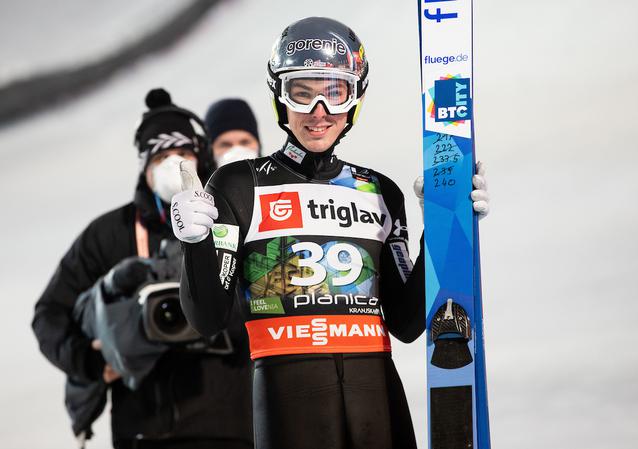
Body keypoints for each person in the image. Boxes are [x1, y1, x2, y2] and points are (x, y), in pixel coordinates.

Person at [171, 17, 489, 449]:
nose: (319, 112)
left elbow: (408, 323)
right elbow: (206, 318)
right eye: (302, 92)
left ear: (354, 100)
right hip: (288, 405)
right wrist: (196, 247)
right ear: (280, 98)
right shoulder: (240, 185)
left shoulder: (380, 192)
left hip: (378, 404)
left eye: (334, 92)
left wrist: (443, 225)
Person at [32, 88, 253, 449]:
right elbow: (49, 315)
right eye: (161, 156)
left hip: (235, 422)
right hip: (147, 427)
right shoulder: (110, 234)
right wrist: (90, 360)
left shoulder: (232, 217)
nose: (174, 164)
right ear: (144, 166)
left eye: (183, 153)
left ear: (200, 157)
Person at [205, 98, 261, 167]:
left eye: (245, 142)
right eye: (225, 145)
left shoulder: (277, 176)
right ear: (210, 151)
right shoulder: (193, 177)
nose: (237, 151)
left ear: (258, 144)